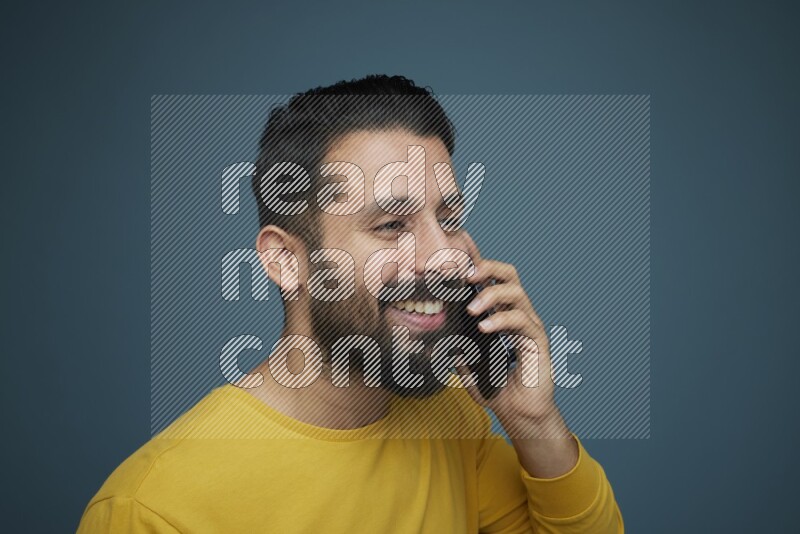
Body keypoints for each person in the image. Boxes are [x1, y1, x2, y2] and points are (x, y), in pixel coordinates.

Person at [78, 75, 624, 533]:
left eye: (450, 219)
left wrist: (535, 423)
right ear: (286, 261)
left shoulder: (453, 419)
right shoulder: (153, 509)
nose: (442, 257)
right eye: (391, 226)